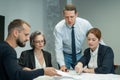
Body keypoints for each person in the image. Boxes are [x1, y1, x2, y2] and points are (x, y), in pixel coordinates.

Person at [53, 4, 93, 71]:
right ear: (63, 15)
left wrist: (105, 52)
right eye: (67, 17)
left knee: (81, 74)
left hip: (78, 54)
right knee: (64, 75)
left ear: (76, 14)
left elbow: (96, 37)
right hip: (65, 55)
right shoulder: (58, 28)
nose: (69, 20)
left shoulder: (85, 24)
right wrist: (62, 65)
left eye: (72, 17)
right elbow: (58, 48)